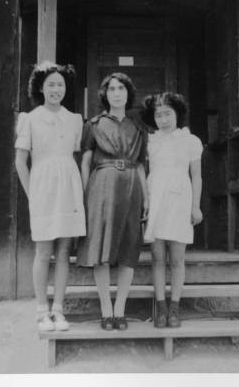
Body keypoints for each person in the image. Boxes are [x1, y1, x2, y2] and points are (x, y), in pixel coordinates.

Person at [15, 60, 86, 332]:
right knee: (43, 251)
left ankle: (58, 310)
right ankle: (41, 311)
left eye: (60, 84)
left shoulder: (74, 119)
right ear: (41, 88)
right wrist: (32, 194)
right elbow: (21, 162)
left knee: (65, 250)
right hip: (42, 186)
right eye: (51, 84)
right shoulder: (30, 119)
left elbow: (76, 154)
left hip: (68, 184)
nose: (56, 89)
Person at [77, 72, 149, 331]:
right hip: (102, 188)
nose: (117, 93)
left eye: (122, 88)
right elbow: (86, 161)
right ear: (105, 95)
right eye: (112, 89)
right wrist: (85, 196)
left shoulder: (139, 128)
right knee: (102, 249)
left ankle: (120, 310)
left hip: (131, 187)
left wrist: (146, 196)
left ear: (128, 94)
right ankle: (106, 309)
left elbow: (141, 164)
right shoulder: (94, 124)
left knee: (128, 249)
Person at [141, 92, 203, 328]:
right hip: (156, 198)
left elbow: (196, 176)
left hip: (180, 200)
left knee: (177, 259)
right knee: (157, 257)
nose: (163, 119)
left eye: (168, 113)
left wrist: (195, 206)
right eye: (158, 115)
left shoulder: (190, 141)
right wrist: (145, 202)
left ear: (177, 114)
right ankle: (161, 306)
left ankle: (175, 306)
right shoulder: (150, 141)